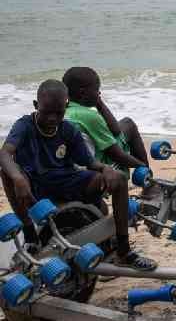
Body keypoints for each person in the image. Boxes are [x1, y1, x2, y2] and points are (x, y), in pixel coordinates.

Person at [0, 80, 156, 270]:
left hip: (66, 181)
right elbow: (5, 152)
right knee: (8, 173)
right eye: (46, 112)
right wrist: (17, 178)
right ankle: (30, 232)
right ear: (36, 106)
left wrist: (105, 169)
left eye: (58, 113)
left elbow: (89, 162)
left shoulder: (67, 130)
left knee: (119, 179)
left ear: (65, 107)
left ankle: (123, 249)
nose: (52, 118)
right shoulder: (24, 125)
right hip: (34, 187)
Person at [62, 67, 150, 178]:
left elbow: (116, 131)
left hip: (70, 167)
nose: (99, 93)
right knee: (129, 125)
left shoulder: (61, 112)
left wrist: (98, 103)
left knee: (125, 124)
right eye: (96, 90)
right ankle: (149, 184)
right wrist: (143, 167)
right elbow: (116, 155)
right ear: (82, 92)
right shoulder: (89, 117)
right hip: (94, 170)